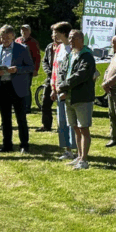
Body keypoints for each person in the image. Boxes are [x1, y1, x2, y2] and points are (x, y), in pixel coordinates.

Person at [0, 25, 34, 154]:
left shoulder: (22, 48)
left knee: (21, 118)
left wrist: (17, 70)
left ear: (13, 37)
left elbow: (30, 67)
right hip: (2, 87)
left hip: (17, 87)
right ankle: (7, 145)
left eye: (7, 38)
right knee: (5, 119)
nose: (4, 40)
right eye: (2, 38)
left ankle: (24, 145)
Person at [58, 29, 96, 169]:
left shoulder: (87, 56)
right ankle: (79, 156)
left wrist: (63, 86)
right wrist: (62, 88)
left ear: (81, 40)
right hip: (69, 97)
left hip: (82, 97)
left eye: (74, 38)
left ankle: (84, 160)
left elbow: (81, 75)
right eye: (69, 38)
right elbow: (62, 71)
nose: (71, 41)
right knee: (75, 128)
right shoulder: (70, 55)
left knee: (83, 128)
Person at [49, 22, 76, 161]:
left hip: (70, 90)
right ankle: (67, 150)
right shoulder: (59, 48)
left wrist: (66, 89)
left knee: (72, 121)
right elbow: (55, 69)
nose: (54, 35)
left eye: (56, 32)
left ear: (64, 33)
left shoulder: (73, 49)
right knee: (62, 120)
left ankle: (76, 149)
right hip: (59, 89)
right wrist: (53, 88)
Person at [16, 25, 41, 113]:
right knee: (18, 87)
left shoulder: (33, 42)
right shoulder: (17, 40)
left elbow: (37, 57)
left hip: (28, 68)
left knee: (26, 87)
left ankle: (27, 107)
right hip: (18, 68)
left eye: (26, 30)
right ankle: (20, 105)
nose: (24, 32)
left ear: (29, 32)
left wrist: (36, 69)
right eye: (22, 30)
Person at [37, 31, 58, 132]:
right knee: (45, 102)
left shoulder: (65, 48)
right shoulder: (49, 47)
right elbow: (44, 61)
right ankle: (46, 125)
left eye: (56, 35)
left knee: (62, 105)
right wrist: (49, 72)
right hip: (50, 79)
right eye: (54, 36)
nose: (55, 38)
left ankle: (63, 127)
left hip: (61, 79)